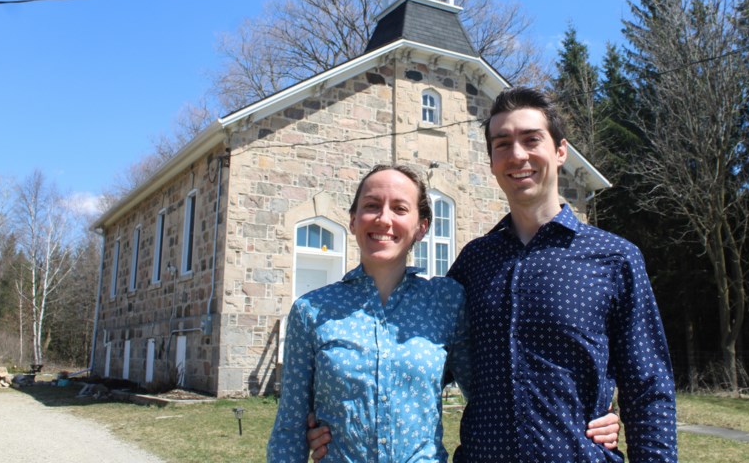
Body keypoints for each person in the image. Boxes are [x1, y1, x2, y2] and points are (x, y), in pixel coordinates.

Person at [272, 163, 621, 462]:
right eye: (371, 205)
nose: (383, 218)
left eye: (399, 208)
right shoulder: (312, 311)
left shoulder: (445, 301)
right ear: (352, 220)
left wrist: (583, 417)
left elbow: (493, 392)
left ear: (422, 227)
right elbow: (290, 425)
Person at [446, 86, 677, 462]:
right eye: (502, 143)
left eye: (531, 139)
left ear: (560, 151)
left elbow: (648, 387)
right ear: (491, 161)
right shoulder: (473, 262)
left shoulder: (615, 259)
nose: (517, 154)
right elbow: (422, 361)